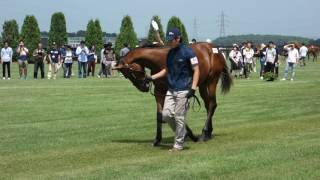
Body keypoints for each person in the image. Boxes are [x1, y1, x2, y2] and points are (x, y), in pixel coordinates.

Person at [146, 23, 200, 151]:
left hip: (184, 90)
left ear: (178, 38)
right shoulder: (170, 53)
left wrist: (193, 88)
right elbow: (166, 70)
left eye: (172, 40)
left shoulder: (188, 52)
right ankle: (182, 133)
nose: (170, 42)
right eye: (169, 40)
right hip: (171, 89)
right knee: (166, 115)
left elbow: (196, 70)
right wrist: (152, 77)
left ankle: (178, 145)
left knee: (179, 117)